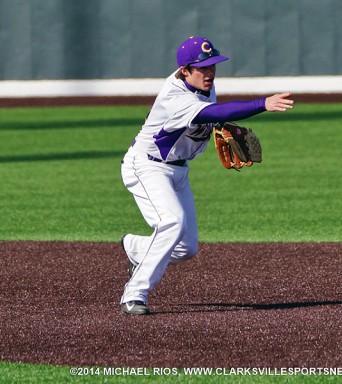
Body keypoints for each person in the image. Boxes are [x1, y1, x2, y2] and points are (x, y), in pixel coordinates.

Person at [120, 36, 293, 315]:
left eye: (213, 65)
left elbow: (212, 114)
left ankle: (134, 247)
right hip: (147, 167)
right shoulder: (175, 97)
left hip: (178, 169)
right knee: (172, 223)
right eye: (203, 67)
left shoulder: (202, 84)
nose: (210, 72)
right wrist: (263, 103)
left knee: (185, 248)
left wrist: (222, 124)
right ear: (185, 70)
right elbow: (215, 110)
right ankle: (135, 293)